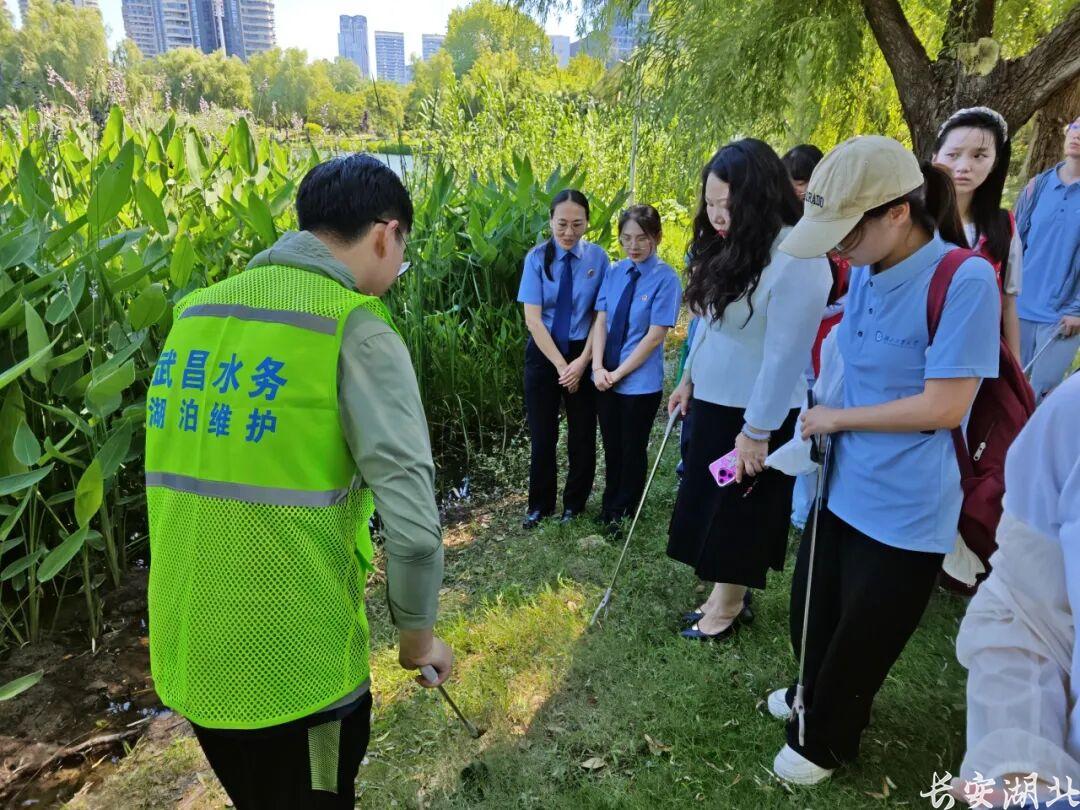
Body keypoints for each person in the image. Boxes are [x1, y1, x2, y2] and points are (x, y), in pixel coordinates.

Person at [144, 155, 453, 809]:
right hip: (296, 669)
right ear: (383, 234)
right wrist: (418, 638)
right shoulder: (354, 328)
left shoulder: (194, 316)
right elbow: (416, 530)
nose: (398, 269)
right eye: (403, 250)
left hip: (193, 652)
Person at [765, 136, 1000, 785]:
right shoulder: (867, 269)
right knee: (814, 608)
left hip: (907, 504)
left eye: (845, 232)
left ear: (897, 212)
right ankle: (810, 693)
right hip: (841, 480)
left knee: (863, 633)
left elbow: (945, 405)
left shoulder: (965, 279)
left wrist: (838, 419)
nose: (838, 249)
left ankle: (827, 740)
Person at [666, 139, 832, 640]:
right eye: (711, 204)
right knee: (710, 498)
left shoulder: (798, 258)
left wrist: (755, 432)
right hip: (714, 400)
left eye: (728, 206)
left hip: (756, 411)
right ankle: (724, 589)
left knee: (738, 507)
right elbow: (709, 327)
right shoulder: (734, 245)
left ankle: (729, 605)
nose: (717, 216)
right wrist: (688, 377)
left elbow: (784, 357)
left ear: (759, 198)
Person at [517, 190, 611, 529]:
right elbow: (533, 319)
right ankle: (539, 505)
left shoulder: (599, 260)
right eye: (562, 224)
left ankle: (574, 504)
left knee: (582, 434)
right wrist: (561, 366)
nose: (569, 232)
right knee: (543, 435)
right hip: (545, 355)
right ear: (551, 221)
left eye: (577, 224)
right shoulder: (536, 258)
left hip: (584, 351)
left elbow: (601, 315)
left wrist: (583, 362)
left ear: (587, 223)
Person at [591, 204, 681, 535]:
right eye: (626, 238)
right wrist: (599, 366)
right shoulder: (614, 272)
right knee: (612, 445)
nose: (633, 246)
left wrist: (619, 373)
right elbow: (601, 319)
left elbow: (655, 336)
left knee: (632, 447)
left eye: (641, 238)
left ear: (656, 237)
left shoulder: (666, 279)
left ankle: (625, 512)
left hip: (639, 382)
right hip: (604, 377)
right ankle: (609, 504)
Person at [782, 144, 850, 532]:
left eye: (803, 184)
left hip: (829, 335)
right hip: (798, 338)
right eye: (789, 184)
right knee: (800, 418)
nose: (796, 192)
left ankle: (815, 509)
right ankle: (800, 509)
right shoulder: (785, 231)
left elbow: (847, 289)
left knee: (819, 417)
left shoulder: (837, 232)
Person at [932, 106, 1023, 361]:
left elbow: (1007, 303)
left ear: (995, 163)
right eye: (953, 154)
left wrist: (1015, 370)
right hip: (919, 353)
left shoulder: (1004, 226)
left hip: (976, 359)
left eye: (979, 156)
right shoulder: (914, 222)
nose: (963, 166)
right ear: (935, 156)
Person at [1014, 114, 1080, 403]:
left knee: (1041, 397)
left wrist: (1078, 309)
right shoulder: (1036, 187)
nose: (1077, 135)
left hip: (1062, 316)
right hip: (1018, 308)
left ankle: (1033, 450)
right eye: (1076, 127)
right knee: (1006, 392)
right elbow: (1013, 244)